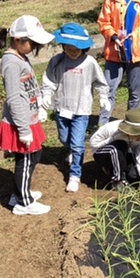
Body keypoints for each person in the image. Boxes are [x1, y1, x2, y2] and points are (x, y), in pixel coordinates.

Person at [40, 23, 110, 193]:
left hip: (81, 109)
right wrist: (47, 95)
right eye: (69, 48)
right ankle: (72, 149)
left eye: (76, 49)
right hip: (62, 108)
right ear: (63, 46)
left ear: (83, 47)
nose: (72, 52)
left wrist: (103, 96)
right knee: (65, 138)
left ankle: (75, 175)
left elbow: (100, 82)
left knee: (78, 144)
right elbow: (50, 80)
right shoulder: (57, 61)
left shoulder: (89, 62)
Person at [0, 15, 54, 215]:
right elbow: (13, 98)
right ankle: (24, 202)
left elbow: (29, 85)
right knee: (27, 159)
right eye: (33, 44)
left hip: (29, 118)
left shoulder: (21, 57)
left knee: (33, 156)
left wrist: (39, 104)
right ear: (18, 39)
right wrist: (23, 129)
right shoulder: (11, 63)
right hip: (20, 122)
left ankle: (20, 192)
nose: (35, 48)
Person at [89, 108, 140, 193]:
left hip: (124, 151)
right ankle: (117, 180)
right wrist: (113, 139)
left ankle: (120, 173)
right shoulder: (112, 129)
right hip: (101, 152)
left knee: (134, 178)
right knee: (120, 145)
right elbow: (93, 143)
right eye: (137, 134)